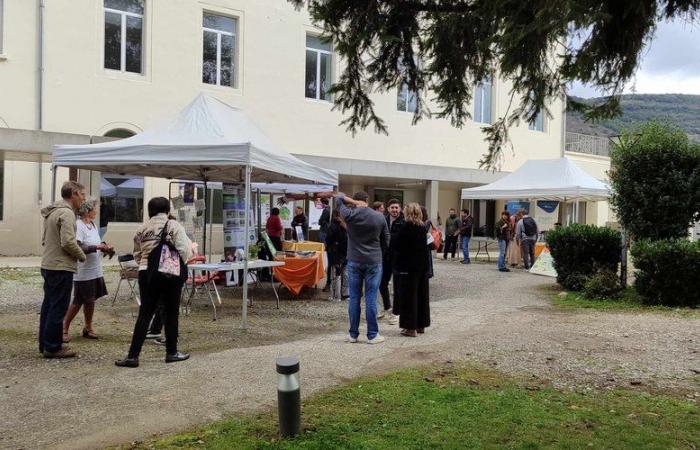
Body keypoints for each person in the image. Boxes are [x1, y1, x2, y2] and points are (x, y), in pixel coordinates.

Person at [115, 197, 195, 368]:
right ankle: (171, 352)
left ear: (149, 211)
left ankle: (133, 356)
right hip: (169, 273)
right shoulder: (173, 225)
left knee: (145, 313)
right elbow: (185, 250)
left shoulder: (141, 229)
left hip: (146, 273)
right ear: (167, 210)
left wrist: (148, 262)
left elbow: (137, 254)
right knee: (171, 312)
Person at [38, 181, 87, 359]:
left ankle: (45, 343)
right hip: (61, 266)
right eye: (82, 195)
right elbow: (67, 241)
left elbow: (45, 239)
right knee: (58, 307)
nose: (83, 199)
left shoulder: (53, 212)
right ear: (73, 193)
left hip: (49, 264)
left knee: (49, 306)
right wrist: (82, 255)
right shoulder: (66, 213)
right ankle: (53, 347)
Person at [336, 191, 390, 344]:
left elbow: (339, 201)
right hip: (374, 260)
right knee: (371, 298)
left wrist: (347, 199)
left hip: (354, 259)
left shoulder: (350, 215)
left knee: (354, 298)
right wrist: (380, 254)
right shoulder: (379, 216)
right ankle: (372, 335)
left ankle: (353, 334)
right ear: (367, 200)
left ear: (355, 201)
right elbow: (386, 239)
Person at [62, 198, 113, 342]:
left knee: (91, 300)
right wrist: (96, 247)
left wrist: (104, 246)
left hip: (95, 269)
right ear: (88, 211)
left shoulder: (92, 225)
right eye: (95, 209)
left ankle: (88, 327)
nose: (97, 211)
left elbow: (95, 243)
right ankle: (64, 327)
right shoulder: (79, 225)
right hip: (83, 270)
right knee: (79, 300)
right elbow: (77, 247)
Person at [393, 203, 430, 337]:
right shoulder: (422, 228)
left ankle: (410, 327)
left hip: (408, 267)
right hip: (422, 266)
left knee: (409, 297)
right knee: (421, 295)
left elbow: (397, 245)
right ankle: (421, 324)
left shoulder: (405, 228)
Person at [378, 198, 403, 324]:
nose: (394, 210)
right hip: (385, 257)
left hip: (399, 259)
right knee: (382, 283)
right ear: (388, 209)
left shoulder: (404, 221)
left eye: (396, 207)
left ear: (400, 209)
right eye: (392, 207)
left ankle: (396, 313)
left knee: (398, 287)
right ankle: (387, 307)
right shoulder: (383, 220)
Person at [325, 209, 349, 301]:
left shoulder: (333, 226)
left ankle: (336, 296)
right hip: (346, 252)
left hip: (336, 253)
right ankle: (345, 294)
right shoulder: (348, 225)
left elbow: (329, 239)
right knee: (346, 273)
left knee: (336, 274)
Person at [421, 206, 436, 279]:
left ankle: (428, 273)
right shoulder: (423, 221)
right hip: (424, 242)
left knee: (427, 259)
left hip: (426, 243)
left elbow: (424, 231)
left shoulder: (426, 221)